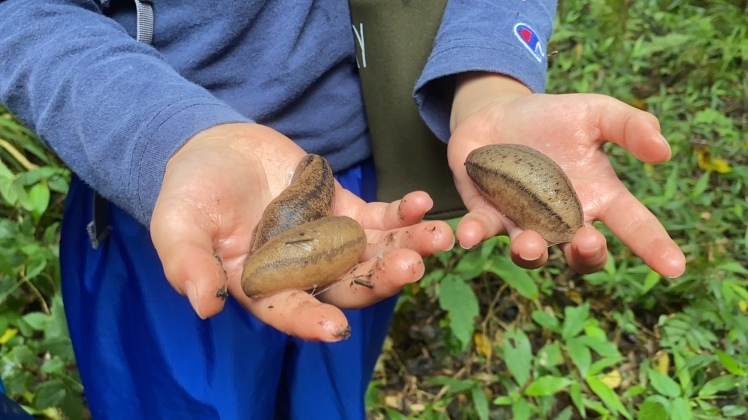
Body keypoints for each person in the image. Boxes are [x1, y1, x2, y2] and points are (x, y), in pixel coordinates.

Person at [0, 1, 686, 418]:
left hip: (359, 196)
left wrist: (488, 74)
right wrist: (164, 134)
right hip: (167, 195)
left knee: (328, 381)